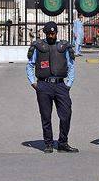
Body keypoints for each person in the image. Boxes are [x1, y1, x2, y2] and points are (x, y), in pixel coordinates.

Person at [26, 21, 78, 154]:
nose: (51, 35)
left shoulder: (63, 46)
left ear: (56, 33)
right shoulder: (38, 46)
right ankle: (48, 143)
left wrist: (68, 84)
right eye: (48, 33)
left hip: (61, 85)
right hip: (43, 85)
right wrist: (33, 82)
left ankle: (63, 143)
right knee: (46, 116)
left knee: (66, 115)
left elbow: (71, 65)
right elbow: (30, 65)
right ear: (45, 33)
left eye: (53, 33)